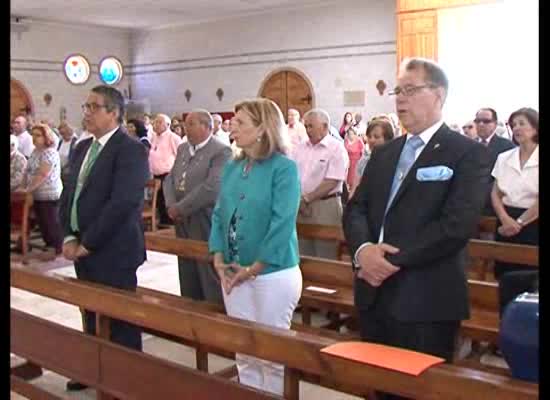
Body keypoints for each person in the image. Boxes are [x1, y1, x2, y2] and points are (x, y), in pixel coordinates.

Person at [343, 58, 490, 400]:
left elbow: (457, 225)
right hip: (373, 293)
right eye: (398, 91)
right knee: (380, 389)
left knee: (419, 393)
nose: (399, 99)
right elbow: (356, 208)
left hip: (426, 297)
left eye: (410, 90)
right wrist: (364, 252)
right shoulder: (385, 153)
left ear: (438, 94)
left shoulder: (466, 153)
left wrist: (391, 261)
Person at [209, 98, 302, 395]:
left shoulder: (283, 168)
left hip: (272, 273)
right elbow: (219, 214)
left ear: (262, 129)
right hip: (234, 271)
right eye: (233, 121)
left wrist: (253, 269)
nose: (231, 127)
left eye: (240, 122)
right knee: (244, 351)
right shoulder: (234, 167)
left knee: (273, 355)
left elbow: (282, 222)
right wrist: (218, 257)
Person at [59, 85, 149, 392]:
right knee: (90, 312)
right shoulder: (83, 148)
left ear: (114, 113)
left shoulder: (131, 149)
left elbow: (123, 203)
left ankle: (126, 379)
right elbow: (69, 194)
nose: (86, 113)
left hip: (114, 250)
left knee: (119, 318)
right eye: (85, 107)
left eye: (93, 107)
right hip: (82, 246)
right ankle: (94, 370)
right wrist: (68, 235)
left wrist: (89, 242)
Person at [164, 109, 231, 304]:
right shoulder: (184, 148)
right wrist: (170, 204)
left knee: (206, 266)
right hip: (180, 216)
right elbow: (170, 178)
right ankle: (190, 308)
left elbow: (211, 187)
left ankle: (213, 310)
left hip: (204, 216)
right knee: (186, 264)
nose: (186, 128)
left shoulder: (220, 150)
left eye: (191, 124)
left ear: (206, 126)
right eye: (186, 123)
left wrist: (181, 207)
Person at [490, 107, 538, 313]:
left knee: (529, 278)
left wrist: (519, 223)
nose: (517, 128)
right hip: (505, 219)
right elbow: (495, 193)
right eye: (514, 124)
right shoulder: (504, 157)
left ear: (535, 127)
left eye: (522, 124)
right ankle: (503, 326)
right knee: (505, 277)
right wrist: (504, 218)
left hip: (532, 223)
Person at [292, 108, 349, 259]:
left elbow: (333, 181)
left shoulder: (336, 148)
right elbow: (292, 176)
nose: (307, 130)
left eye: (311, 126)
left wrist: (307, 199)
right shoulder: (300, 147)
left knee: (326, 254)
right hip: (301, 206)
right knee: (302, 255)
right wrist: (300, 199)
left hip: (325, 205)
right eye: (306, 126)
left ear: (325, 126)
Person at [23, 124, 64, 257]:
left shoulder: (50, 152)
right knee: (42, 222)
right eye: (33, 135)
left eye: (38, 135)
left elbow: (43, 174)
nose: (34, 138)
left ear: (47, 137)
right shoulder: (35, 151)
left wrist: (28, 189)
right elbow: (28, 170)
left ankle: (57, 248)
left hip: (49, 193)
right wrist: (25, 186)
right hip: (37, 193)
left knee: (50, 222)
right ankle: (49, 245)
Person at [474, 107, 515, 217]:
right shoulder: (467, 145)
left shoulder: (508, 147)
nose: (481, 124)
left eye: (486, 121)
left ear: (495, 124)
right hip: (470, 207)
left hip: (495, 208)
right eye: (477, 121)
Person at [149, 114, 182, 226]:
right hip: (156, 174)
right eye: (155, 122)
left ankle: (170, 223)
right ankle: (162, 222)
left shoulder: (173, 137)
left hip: (168, 174)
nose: (155, 125)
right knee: (158, 201)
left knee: (167, 200)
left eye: (159, 122)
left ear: (167, 125)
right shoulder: (153, 137)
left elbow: (180, 155)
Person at [352, 119, 394, 197]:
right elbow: (354, 190)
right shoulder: (363, 161)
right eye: (369, 136)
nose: (372, 140)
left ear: (388, 139)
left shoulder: (395, 162)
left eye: (376, 137)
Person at [344, 127, 365, 195]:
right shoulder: (346, 140)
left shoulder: (359, 141)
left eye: (352, 134)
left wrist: (360, 163)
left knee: (353, 180)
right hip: (347, 162)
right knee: (346, 179)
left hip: (356, 162)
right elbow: (344, 151)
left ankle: (352, 194)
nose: (351, 135)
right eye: (349, 134)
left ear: (355, 134)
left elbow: (363, 152)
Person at [57, 122, 78, 186]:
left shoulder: (75, 142)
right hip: (59, 170)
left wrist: (66, 167)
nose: (63, 135)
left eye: (63, 133)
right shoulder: (61, 142)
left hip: (68, 171)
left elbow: (74, 157)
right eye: (61, 134)